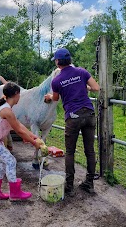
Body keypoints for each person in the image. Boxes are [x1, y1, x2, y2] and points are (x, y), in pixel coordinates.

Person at [45, 48, 100, 197]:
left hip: (73, 117)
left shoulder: (56, 80)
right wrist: (83, 86)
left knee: (70, 151)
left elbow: (56, 99)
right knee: (90, 150)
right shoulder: (82, 72)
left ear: (57, 62)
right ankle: (89, 184)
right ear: (69, 60)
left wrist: (49, 96)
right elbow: (96, 88)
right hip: (89, 114)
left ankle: (69, 186)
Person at [0, 82, 41, 201]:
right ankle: (15, 193)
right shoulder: (6, 110)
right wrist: (35, 143)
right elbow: (19, 130)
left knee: (4, 162)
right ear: (16, 94)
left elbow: (19, 125)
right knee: (11, 161)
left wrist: (33, 137)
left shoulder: (6, 108)